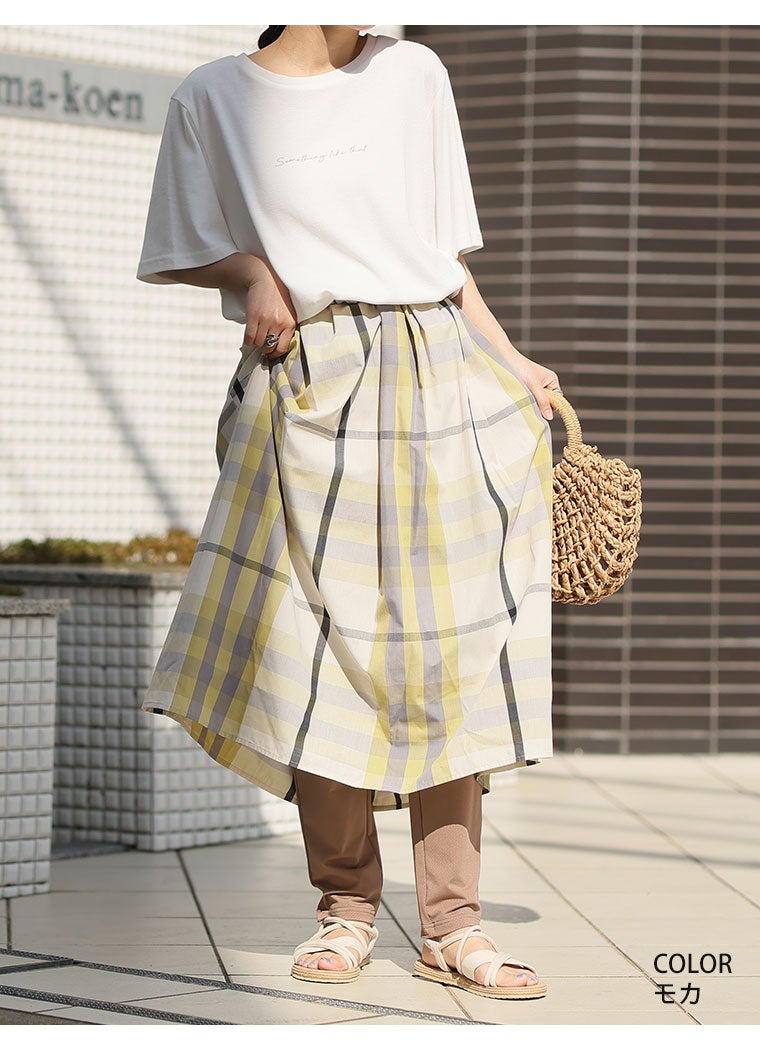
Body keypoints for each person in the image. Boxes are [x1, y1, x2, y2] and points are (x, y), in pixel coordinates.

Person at [136, 25, 561, 1001]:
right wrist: (253, 273)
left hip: (435, 371)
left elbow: (441, 258)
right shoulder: (212, 96)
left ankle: (453, 922)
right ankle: (346, 907)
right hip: (308, 376)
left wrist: (510, 359)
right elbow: (179, 244)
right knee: (313, 651)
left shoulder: (413, 72)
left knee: (444, 648)